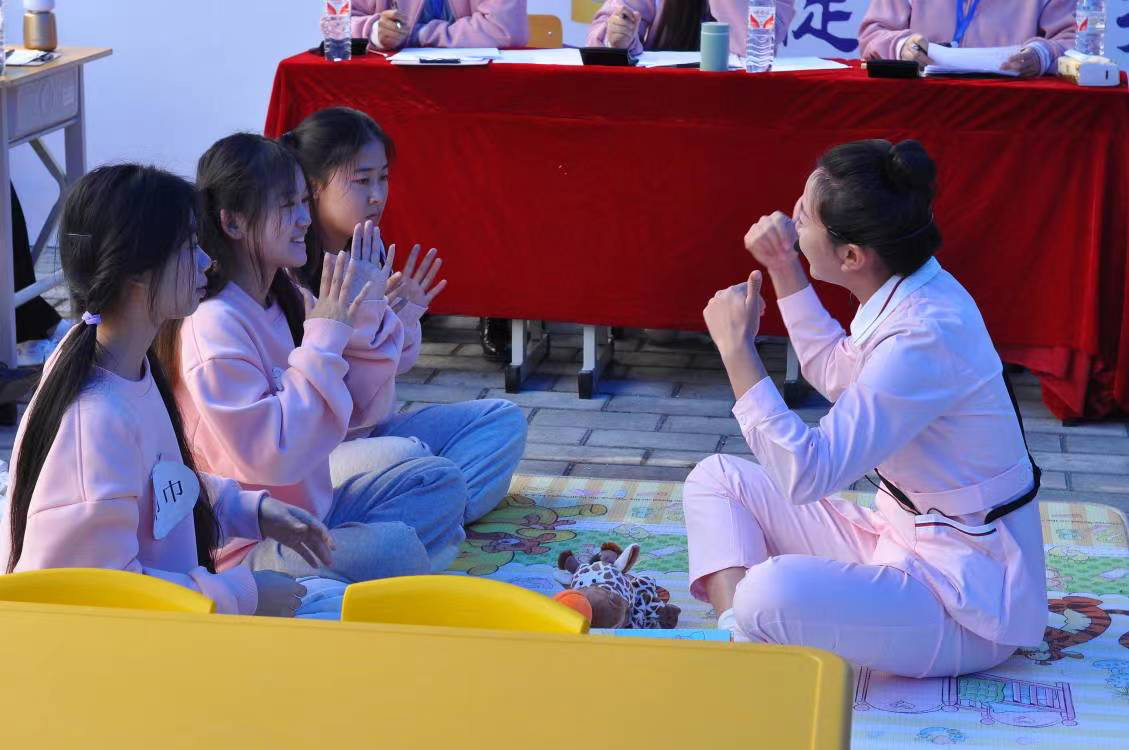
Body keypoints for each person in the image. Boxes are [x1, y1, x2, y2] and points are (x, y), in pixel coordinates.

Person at [685, 139, 1046, 677]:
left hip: (965, 603)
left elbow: (808, 474)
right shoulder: (914, 287)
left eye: (804, 216)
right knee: (716, 479)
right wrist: (784, 264)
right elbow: (836, 370)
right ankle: (739, 637)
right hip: (900, 538)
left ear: (852, 257)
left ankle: (745, 633)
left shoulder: (923, 336)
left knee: (768, 591)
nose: (790, 219)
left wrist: (738, 353)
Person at [1, 164, 326, 617]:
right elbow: (103, 597)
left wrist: (247, 509)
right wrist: (244, 595)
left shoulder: (125, 364)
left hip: (179, 622)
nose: (206, 261)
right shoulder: (95, 419)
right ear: (137, 271)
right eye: (190, 246)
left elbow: (159, 486)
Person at [162, 133, 470, 585]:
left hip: (314, 511)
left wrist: (365, 312)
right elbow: (275, 457)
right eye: (287, 206)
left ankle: (390, 561)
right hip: (250, 544)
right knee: (397, 547)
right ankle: (397, 559)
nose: (305, 219)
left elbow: (360, 410)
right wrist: (325, 338)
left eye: (304, 202)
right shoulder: (213, 325)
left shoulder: (285, 296)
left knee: (440, 482)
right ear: (232, 222)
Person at [282, 107, 526, 525]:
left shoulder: (367, 249)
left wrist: (403, 316)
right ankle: (435, 504)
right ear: (314, 186)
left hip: (374, 434)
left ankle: (441, 508)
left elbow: (395, 367)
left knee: (503, 419)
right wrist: (369, 323)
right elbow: (345, 401)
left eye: (383, 177)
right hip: (321, 453)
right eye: (362, 181)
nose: (378, 195)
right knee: (412, 456)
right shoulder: (290, 273)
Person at [858, 0, 1075, 77]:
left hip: (1013, 108)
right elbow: (873, 34)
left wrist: (1041, 55)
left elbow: (1076, 43)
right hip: (921, 104)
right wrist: (901, 46)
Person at [588, 0, 795, 57]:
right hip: (663, 97)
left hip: (741, 101)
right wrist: (618, 38)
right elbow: (614, 18)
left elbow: (756, 47)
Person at [352, 0, 529, 51]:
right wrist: (374, 30)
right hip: (394, 87)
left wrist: (417, 34)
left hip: (478, 84)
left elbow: (503, 31)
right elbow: (341, 22)